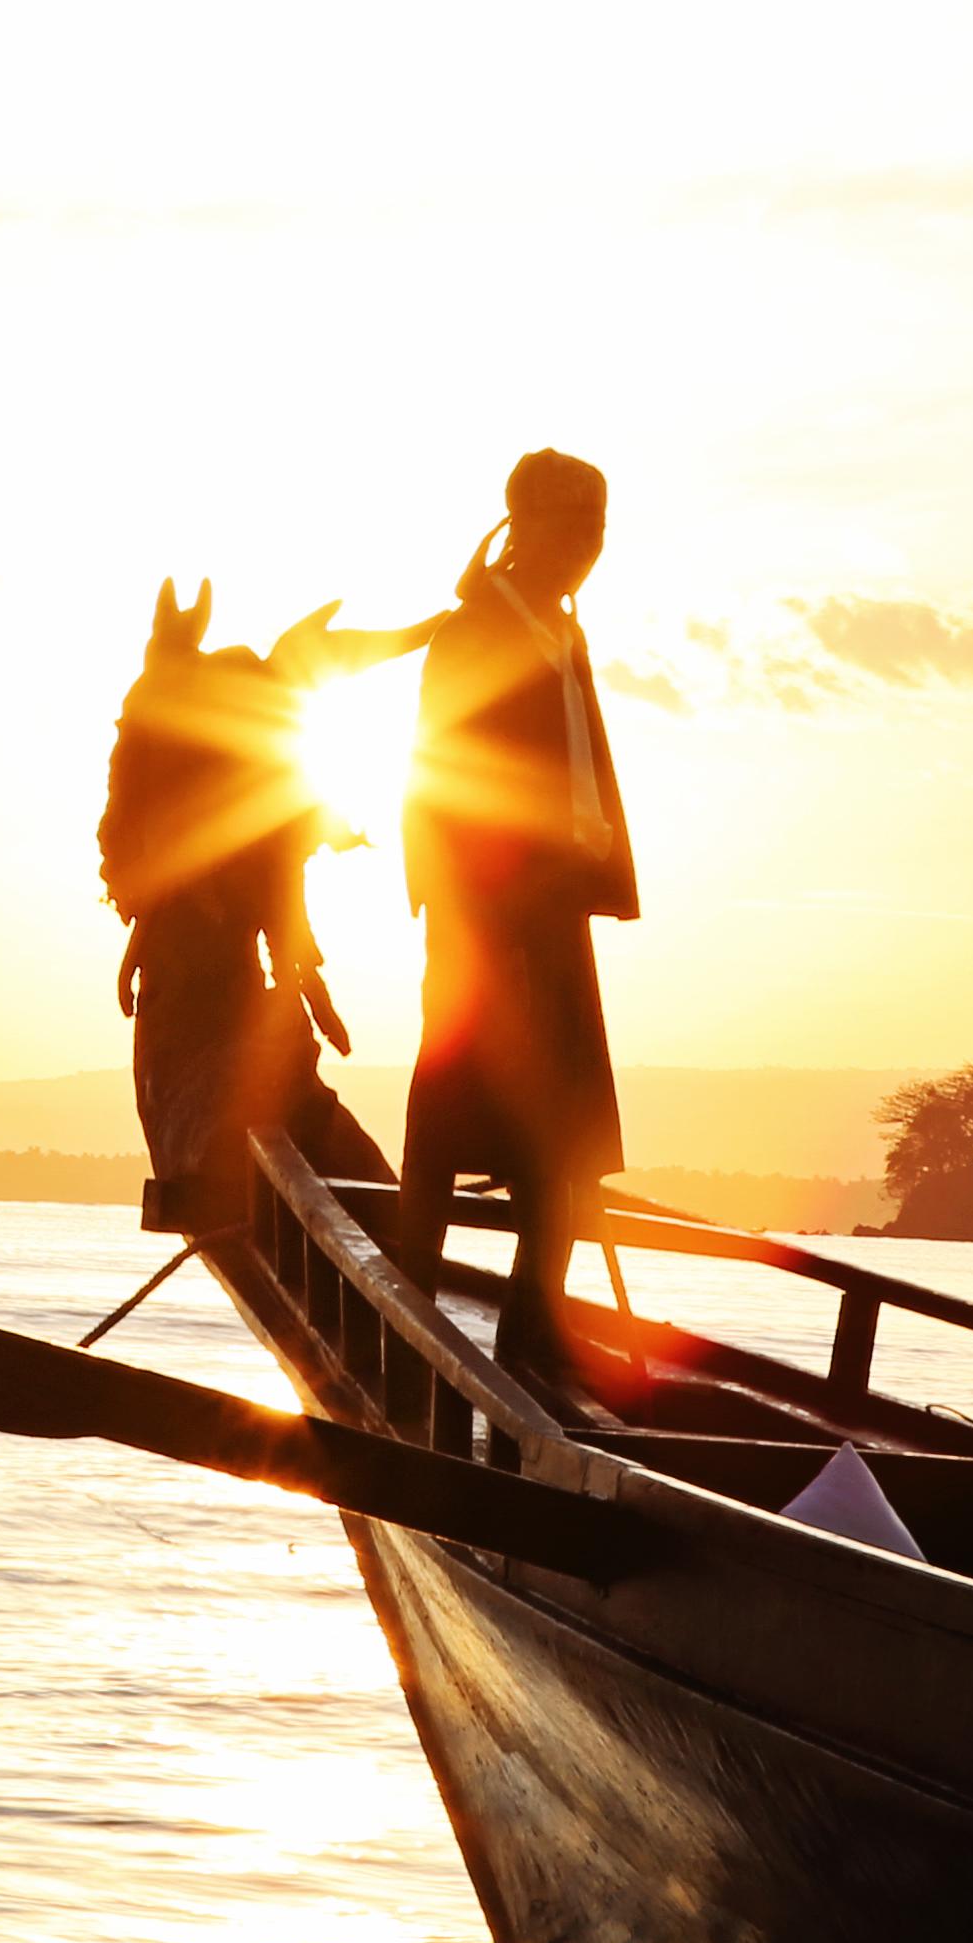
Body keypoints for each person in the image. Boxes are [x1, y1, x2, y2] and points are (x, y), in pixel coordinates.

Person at [391, 449, 637, 1382]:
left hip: (558, 898)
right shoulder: (476, 631)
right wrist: (468, 909)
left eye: (599, 533)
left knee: (559, 1116)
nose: (588, 550)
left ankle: (534, 1324)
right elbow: (439, 773)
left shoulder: (561, 632)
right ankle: (410, 1296)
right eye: (576, 530)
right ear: (527, 525)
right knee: (454, 1097)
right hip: (481, 904)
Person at [99, 584, 402, 1221]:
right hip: (191, 1025)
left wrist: (308, 983)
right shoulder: (168, 767)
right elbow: (155, 867)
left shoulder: (249, 810)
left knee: (360, 1177)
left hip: (232, 1011)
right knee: (247, 1139)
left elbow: (276, 891)